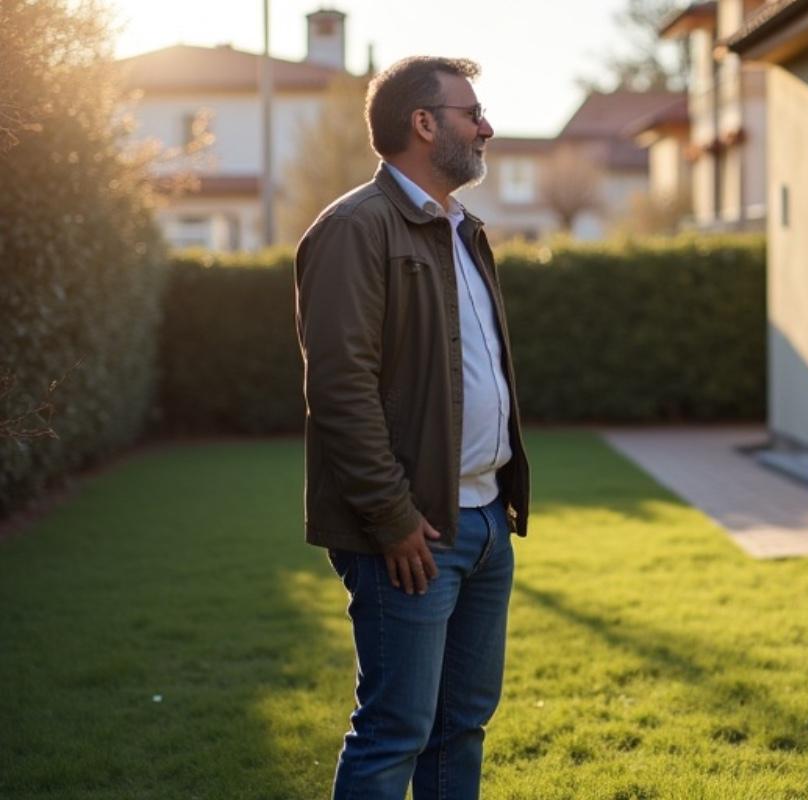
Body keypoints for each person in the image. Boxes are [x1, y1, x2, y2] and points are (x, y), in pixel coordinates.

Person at [294, 55, 530, 800]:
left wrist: (497, 500)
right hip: (411, 532)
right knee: (395, 729)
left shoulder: (462, 229)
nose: (486, 128)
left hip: (484, 520)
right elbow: (340, 391)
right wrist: (393, 519)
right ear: (424, 124)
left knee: (460, 727)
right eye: (472, 113)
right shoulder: (354, 228)